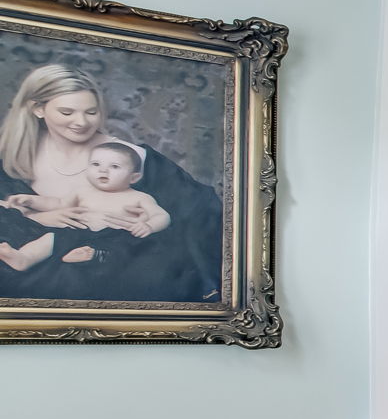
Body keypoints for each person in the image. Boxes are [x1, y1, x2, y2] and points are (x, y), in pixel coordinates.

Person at [0, 64, 222, 302]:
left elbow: (201, 217)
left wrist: (149, 223)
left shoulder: (130, 157)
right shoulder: (11, 153)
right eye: (67, 112)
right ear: (38, 109)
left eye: (91, 112)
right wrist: (38, 218)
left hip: (110, 270)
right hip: (31, 270)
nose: (82, 122)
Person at [0, 141, 170, 272]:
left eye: (115, 167)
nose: (103, 171)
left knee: (127, 249)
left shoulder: (139, 197)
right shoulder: (83, 192)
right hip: (79, 233)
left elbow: (161, 216)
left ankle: (93, 255)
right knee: (52, 238)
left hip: (115, 236)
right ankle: (23, 258)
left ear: (134, 177)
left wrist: (148, 226)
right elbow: (57, 204)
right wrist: (31, 201)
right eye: (96, 164)